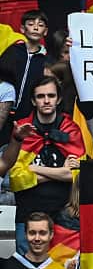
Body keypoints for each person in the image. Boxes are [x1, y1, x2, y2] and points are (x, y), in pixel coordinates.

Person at [7, 76, 84, 255]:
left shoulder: (70, 129)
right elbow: (15, 180)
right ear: (33, 101)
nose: (46, 100)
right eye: (41, 96)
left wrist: (34, 169)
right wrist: (60, 172)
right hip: (27, 216)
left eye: (51, 95)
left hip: (63, 218)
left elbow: (76, 176)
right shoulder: (23, 130)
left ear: (58, 99)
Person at [0, 10, 48, 135]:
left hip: (28, 116)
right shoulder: (12, 51)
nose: (36, 27)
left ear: (46, 31)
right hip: (4, 109)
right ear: (22, 29)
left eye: (41, 25)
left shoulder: (46, 59)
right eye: (31, 24)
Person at [0, 212, 70, 269]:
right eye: (32, 233)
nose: (37, 238)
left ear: (51, 235)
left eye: (42, 233)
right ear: (25, 234)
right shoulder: (10, 266)